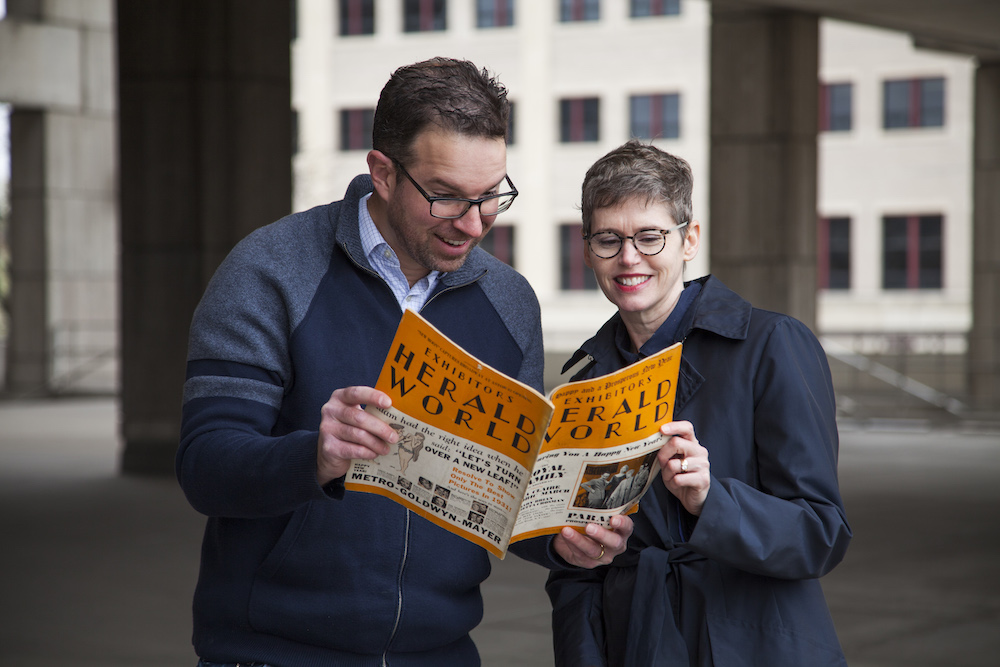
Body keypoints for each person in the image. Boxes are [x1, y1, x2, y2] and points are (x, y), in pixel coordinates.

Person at [177, 58, 632, 667]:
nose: (473, 224)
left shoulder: (509, 301)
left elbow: (505, 493)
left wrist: (565, 538)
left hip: (443, 652)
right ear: (382, 172)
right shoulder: (270, 271)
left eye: (491, 195)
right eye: (445, 198)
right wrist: (316, 456)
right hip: (274, 652)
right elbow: (205, 467)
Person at [545, 140, 852, 666]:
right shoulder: (590, 378)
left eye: (650, 237)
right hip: (629, 639)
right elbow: (576, 571)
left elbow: (821, 534)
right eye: (608, 239)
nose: (628, 257)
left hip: (751, 644)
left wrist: (713, 501)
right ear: (587, 248)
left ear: (690, 241)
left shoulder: (772, 343)